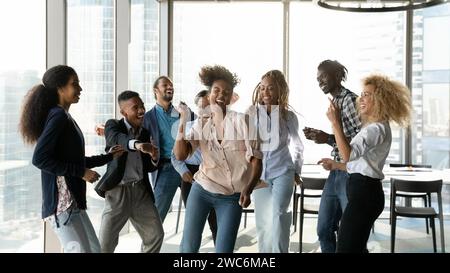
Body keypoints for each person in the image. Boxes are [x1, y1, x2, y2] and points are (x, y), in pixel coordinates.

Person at [19, 65, 124, 253]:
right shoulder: (58, 116)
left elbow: (72, 159)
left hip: (72, 202)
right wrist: (81, 172)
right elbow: (40, 159)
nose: (80, 89)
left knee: (94, 250)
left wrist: (108, 157)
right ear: (60, 88)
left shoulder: (64, 116)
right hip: (61, 205)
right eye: (74, 84)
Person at [173, 65, 263, 253]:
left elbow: (256, 160)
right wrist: (182, 120)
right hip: (202, 189)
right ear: (209, 94)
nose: (221, 95)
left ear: (231, 97)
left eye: (226, 92)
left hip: (231, 197)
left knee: (224, 250)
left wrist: (248, 188)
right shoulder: (201, 123)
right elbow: (181, 154)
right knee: (188, 247)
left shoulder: (243, 121)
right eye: (216, 90)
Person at [318, 74, 411, 252]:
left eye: (368, 94)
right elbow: (359, 164)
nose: (362, 98)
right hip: (365, 192)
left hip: (365, 194)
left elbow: (348, 155)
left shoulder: (376, 129)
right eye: (362, 93)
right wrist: (335, 165)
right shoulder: (373, 127)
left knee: (346, 248)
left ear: (381, 100)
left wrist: (335, 122)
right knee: (356, 248)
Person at [303, 60, 361, 253]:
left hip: (349, 173)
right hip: (335, 173)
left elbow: (361, 141)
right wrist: (324, 137)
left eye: (324, 77)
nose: (320, 82)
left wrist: (328, 137)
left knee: (351, 235)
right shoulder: (335, 101)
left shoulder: (350, 101)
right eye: (317, 79)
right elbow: (343, 138)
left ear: (337, 75)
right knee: (323, 230)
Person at [95, 90, 164, 253]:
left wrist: (154, 157)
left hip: (140, 191)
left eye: (142, 106)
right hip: (118, 193)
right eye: (135, 107)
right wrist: (137, 145)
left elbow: (149, 167)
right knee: (105, 244)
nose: (141, 111)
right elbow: (117, 139)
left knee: (155, 235)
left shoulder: (145, 133)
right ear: (123, 112)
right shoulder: (113, 126)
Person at [250, 70, 304, 253]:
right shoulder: (252, 115)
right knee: (263, 221)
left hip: (283, 172)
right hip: (259, 176)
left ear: (280, 91)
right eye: (262, 88)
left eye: (270, 88)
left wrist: (297, 171)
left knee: (280, 215)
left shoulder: (288, 117)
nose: (265, 92)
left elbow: (298, 146)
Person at [170, 90, 217, 244]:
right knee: (193, 218)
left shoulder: (223, 126)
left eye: (208, 106)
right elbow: (176, 155)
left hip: (213, 173)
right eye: (201, 107)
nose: (205, 111)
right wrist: (183, 171)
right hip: (190, 173)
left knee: (214, 218)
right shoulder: (190, 126)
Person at [143, 76, 191, 222]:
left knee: (197, 212)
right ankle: (150, 245)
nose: (170, 87)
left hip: (188, 166)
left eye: (171, 85)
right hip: (165, 168)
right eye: (165, 85)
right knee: (156, 216)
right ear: (156, 90)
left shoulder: (183, 113)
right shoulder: (148, 117)